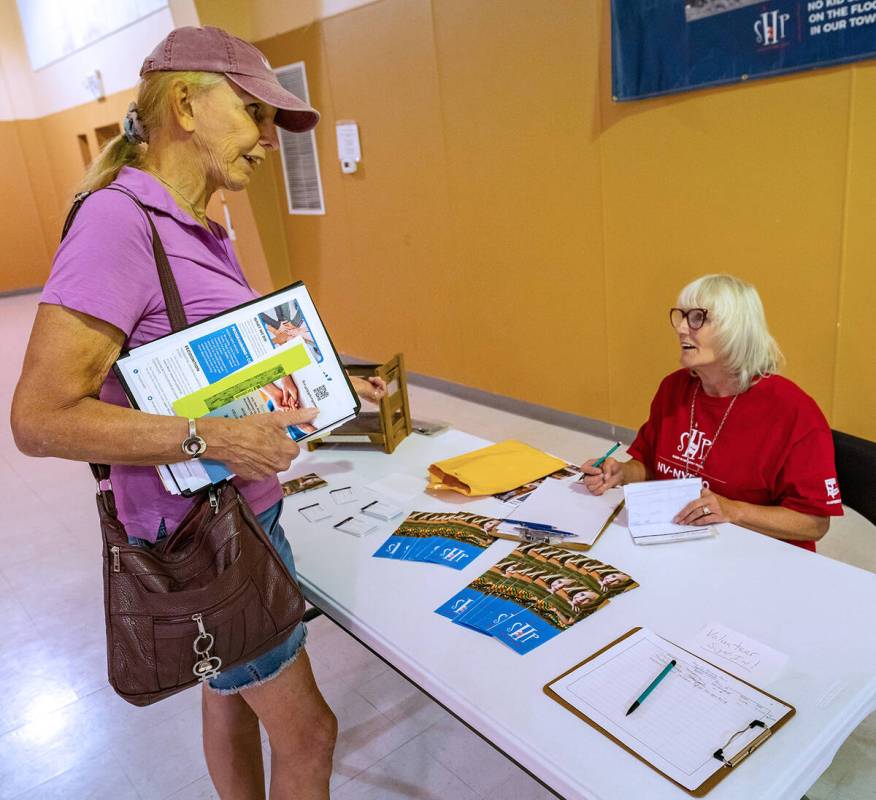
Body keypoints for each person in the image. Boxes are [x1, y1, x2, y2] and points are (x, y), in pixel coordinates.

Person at [10, 26, 385, 800]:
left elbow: (220, 364)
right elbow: (39, 418)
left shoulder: (204, 222)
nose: (267, 141)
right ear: (186, 103)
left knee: (228, 697)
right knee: (311, 735)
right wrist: (210, 435)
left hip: (241, 518)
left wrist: (328, 382)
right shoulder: (119, 222)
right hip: (202, 541)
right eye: (254, 113)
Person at [581, 274, 842, 551]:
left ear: (736, 329)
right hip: (681, 543)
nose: (682, 328)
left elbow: (815, 522)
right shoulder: (674, 387)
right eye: (681, 316)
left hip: (758, 557)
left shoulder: (793, 411)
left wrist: (734, 511)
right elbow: (649, 465)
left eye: (697, 318)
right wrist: (621, 472)